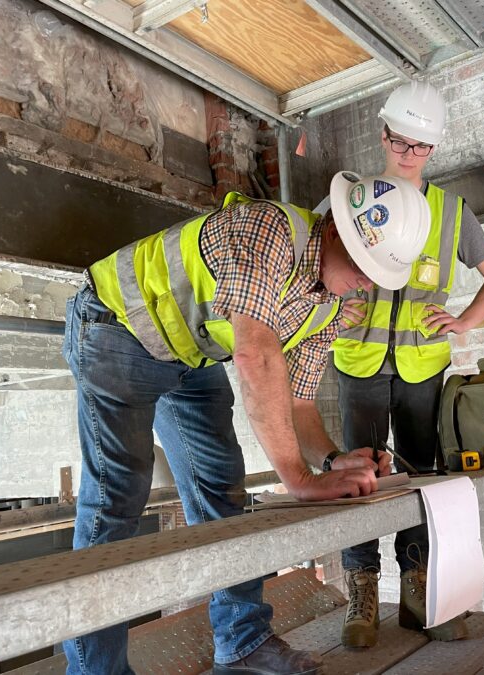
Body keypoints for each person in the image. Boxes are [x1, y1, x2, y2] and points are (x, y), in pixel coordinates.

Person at [60, 171, 431, 675]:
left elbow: (298, 403)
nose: (367, 281)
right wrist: (298, 479)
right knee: (117, 499)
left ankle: (242, 643)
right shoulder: (266, 231)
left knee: (221, 491)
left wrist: (329, 459)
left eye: (378, 274)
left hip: (189, 352)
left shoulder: (333, 300)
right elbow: (255, 355)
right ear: (337, 231)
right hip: (117, 326)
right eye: (364, 265)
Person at [329, 82, 484, 648]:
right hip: (357, 360)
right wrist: (333, 305)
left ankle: (417, 593)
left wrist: (463, 323)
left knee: (419, 478)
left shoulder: (453, 213)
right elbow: (306, 269)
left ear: (433, 150)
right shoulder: (348, 201)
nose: (407, 153)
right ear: (382, 134)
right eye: (399, 140)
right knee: (357, 479)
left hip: (420, 370)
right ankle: (361, 598)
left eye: (420, 146)